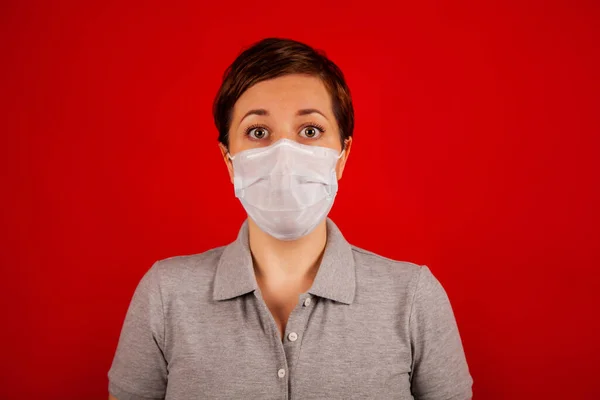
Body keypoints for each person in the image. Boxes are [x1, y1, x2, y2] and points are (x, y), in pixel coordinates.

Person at [108, 37, 473, 400]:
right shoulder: (164, 295)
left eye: (310, 131)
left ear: (342, 156)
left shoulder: (413, 298)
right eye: (258, 132)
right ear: (228, 161)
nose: (284, 157)